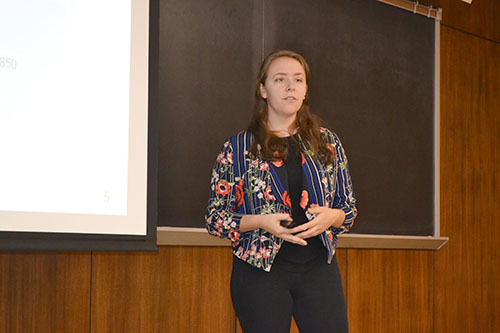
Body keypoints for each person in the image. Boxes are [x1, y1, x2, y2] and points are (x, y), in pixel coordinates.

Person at [205, 50, 357, 333]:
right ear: (263, 90)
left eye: (298, 80)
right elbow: (215, 219)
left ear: (306, 89)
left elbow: (348, 210)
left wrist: (332, 217)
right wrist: (260, 222)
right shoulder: (237, 149)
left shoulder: (327, 142)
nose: (291, 87)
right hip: (259, 273)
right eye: (280, 79)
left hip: (319, 269)